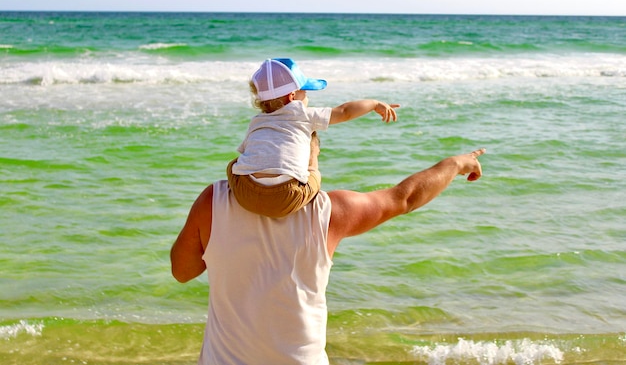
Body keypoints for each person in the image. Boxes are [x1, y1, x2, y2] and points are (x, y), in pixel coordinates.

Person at [171, 134, 486, 365]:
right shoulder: (329, 212)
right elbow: (405, 197)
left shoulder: (213, 202)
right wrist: (456, 163)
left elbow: (183, 271)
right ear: (306, 160)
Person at [227, 57, 399, 218]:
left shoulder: (256, 121)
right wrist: (374, 104)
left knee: (234, 164)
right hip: (286, 197)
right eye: (305, 92)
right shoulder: (303, 114)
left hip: (245, 195)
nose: (308, 96)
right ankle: (311, 176)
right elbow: (344, 111)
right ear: (292, 97)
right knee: (313, 171)